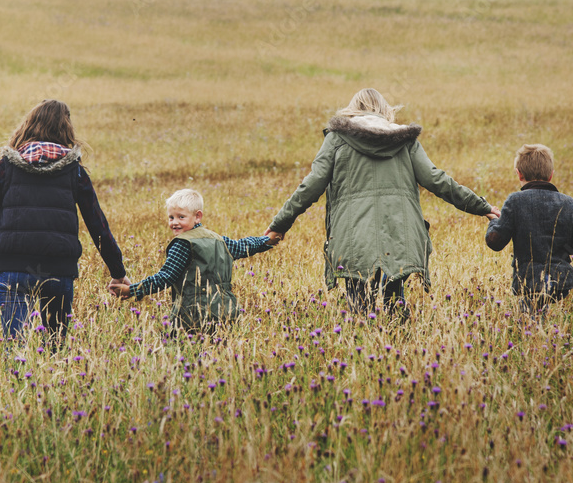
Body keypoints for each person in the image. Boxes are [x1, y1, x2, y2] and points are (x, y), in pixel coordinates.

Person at [267, 88, 499, 317]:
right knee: (395, 302)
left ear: (353, 110)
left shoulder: (337, 139)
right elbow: (436, 180)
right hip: (400, 233)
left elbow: (311, 185)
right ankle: (398, 342)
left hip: (353, 235)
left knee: (358, 305)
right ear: (385, 111)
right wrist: (481, 207)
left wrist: (280, 224)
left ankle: (363, 343)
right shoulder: (405, 140)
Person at [0, 99, 127, 339]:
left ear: (28, 126)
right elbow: (98, 225)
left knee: (16, 351)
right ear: (67, 129)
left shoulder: (6, 167)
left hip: (14, 268)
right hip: (58, 269)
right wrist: (118, 272)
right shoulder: (75, 171)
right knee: (55, 352)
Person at [109, 188, 277, 333]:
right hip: (226, 313)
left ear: (198, 216)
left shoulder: (183, 244)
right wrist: (266, 240)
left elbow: (165, 277)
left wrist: (132, 290)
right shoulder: (218, 239)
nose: (174, 223)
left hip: (192, 317)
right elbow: (244, 246)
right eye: (171, 217)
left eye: (181, 217)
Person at [485, 144, 573, 314]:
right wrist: (564, 252)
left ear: (519, 174)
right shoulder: (569, 203)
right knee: (552, 323)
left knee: (529, 321)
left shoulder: (515, 201)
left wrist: (494, 221)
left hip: (528, 281)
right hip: (562, 281)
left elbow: (495, 242)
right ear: (551, 175)